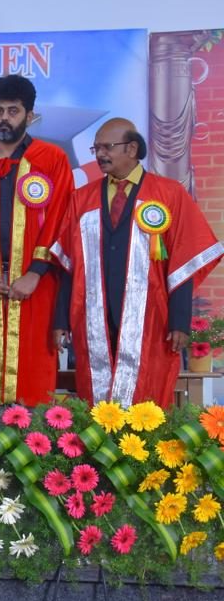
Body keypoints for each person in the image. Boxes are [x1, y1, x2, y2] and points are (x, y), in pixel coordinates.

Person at [52, 119, 224, 407]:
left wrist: (180, 321)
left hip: (150, 319)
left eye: (107, 147)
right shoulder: (81, 199)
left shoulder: (168, 194)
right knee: (95, 395)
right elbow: (68, 266)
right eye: (96, 148)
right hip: (93, 319)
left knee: (147, 395)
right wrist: (61, 320)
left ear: (132, 149)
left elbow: (183, 263)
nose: (100, 154)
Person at [0, 75, 74, 407]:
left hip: (36, 286)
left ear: (30, 115)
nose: (4, 118)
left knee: (33, 374)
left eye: (13, 111)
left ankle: (32, 439)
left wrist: (35, 273)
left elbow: (61, 220)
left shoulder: (52, 159)